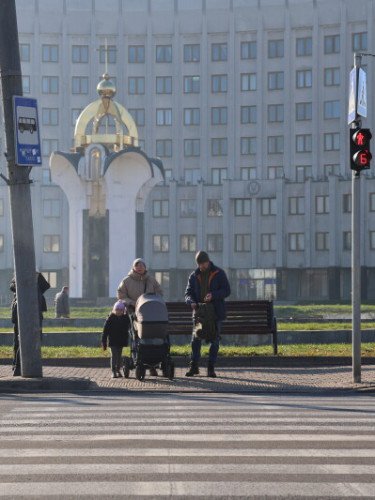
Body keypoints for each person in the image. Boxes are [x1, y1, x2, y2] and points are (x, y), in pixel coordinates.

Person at [184, 250, 231, 378]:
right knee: (196, 339)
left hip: (215, 314)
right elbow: (187, 293)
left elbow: (227, 290)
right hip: (199, 314)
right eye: (200, 264)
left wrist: (214, 295)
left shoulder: (219, 273)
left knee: (214, 340)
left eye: (204, 263)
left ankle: (211, 367)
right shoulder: (193, 276)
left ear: (208, 261)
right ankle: (194, 366)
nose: (202, 266)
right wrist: (191, 302)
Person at [117, 258, 163, 376]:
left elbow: (159, 293)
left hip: (150, 313)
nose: (140, 267)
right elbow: (121, 296)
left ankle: (153, 364)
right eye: (137, 265)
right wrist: (132, 302)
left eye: (142, 265)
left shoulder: (151, 280)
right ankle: (140, 361)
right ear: (133, 267)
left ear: (145, 267)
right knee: (137, 338)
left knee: (152, 337)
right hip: (134, 312)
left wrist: (153, 301)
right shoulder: (126, 281)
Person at [10, 272, 51, 377]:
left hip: (28, 313)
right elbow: (13, 287)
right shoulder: (20, 278)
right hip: (27, 313)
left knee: (20, 341)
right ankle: (18, 367)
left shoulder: (30, 280)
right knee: (23, 340)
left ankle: (17, 366)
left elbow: (46, 286)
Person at [101, 300, 130, 378]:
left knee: (119, 356)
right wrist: (104, 343)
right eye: (117, 309)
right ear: (114, 310)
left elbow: (128, 322)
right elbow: (105, 331)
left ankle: (118, 370)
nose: (119, 311)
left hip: (121, 340)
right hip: (112, 341)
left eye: (121, 310)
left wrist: (126, 307)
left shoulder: (125, 318)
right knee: (114, 355)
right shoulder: (110, 318)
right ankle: (113, 371)